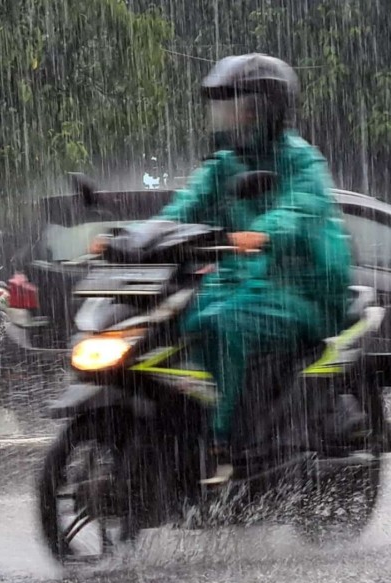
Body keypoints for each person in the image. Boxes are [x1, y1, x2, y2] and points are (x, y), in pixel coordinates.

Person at [93, 53, 353, 484]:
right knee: (176, 322)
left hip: (306, 288)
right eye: (224, 107)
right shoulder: (224, 164)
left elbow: (299, 208)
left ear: (269, 108)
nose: (229, 117)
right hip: (245, 284)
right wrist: (128, 240)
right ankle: (186, 427)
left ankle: (226, 442)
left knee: (224, 323)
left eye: (239, 105)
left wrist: (263, 233)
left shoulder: (302, 161)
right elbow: (178, 212)